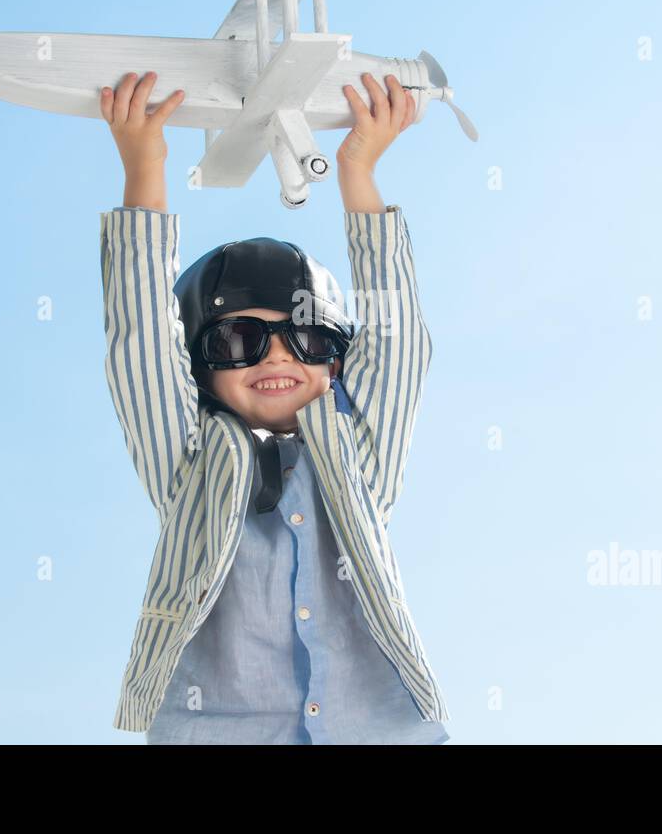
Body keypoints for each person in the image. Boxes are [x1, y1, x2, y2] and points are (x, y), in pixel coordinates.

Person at [98, 70, 449, 743]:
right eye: (241, 339)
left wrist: (358, 171)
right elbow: (140, 344)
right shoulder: (190, 466)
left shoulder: (360, 460)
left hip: (376, 728)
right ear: (199, 370)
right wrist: (145, 165)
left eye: (308, 338)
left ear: (336, 362)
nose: (278, 357)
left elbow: (399, 341)